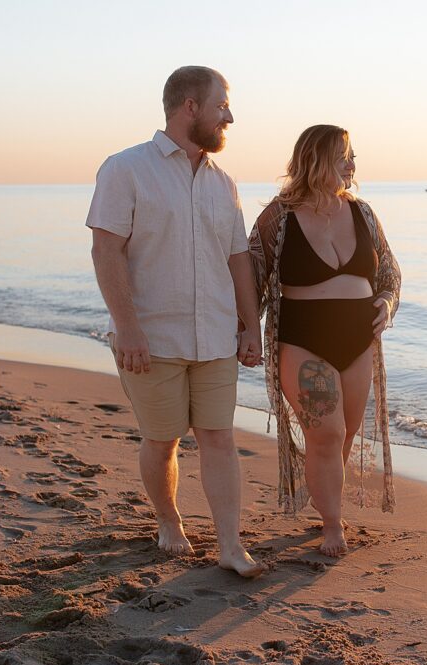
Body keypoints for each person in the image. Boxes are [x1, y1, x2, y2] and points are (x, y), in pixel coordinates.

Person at [86, 66, 264, 577]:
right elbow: (106, 249)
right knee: (162, 440)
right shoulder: (126, 169)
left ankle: (230, 545)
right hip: (152, 337)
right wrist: (129, 327)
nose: (229, 115)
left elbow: (238, 261)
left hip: (215, 335)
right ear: (191, 107)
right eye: (221, 105)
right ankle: (169, 521)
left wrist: (250, 327)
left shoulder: (224, 182)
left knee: (218, 437)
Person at [249, 125, 401, 556]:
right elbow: (252, 279)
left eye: (352, 157)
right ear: (316, 160)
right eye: (344, 156)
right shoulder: (278, 218)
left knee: (346, 432)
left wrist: (386, 303)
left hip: (358, 341)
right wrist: (245, 331)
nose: (352, 166)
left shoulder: (364, 213)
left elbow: (389, 271)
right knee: (327, 433)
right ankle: (332, 525)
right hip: (302, 340)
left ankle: (324, 498)